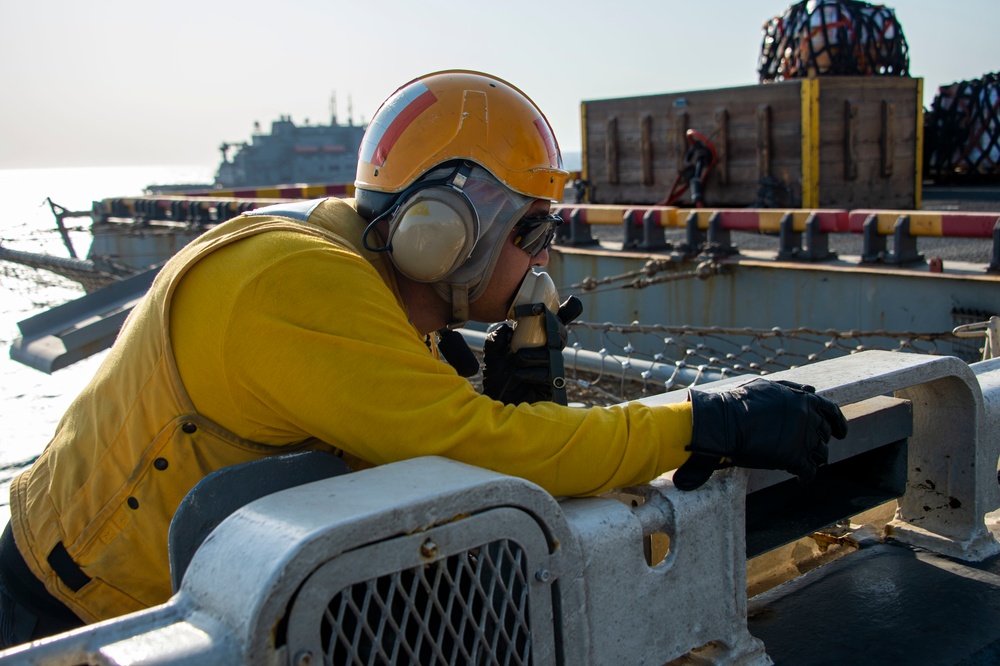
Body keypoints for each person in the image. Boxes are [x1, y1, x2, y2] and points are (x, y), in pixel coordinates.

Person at [0, 70, 847, 648]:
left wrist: (495, 390)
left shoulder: (344, 273)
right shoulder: (293, 284)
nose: (540, 259)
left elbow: (420, 434)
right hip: (68, 624)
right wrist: (709, 418)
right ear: (445, 232)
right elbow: (491, 451)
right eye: (529, 232)